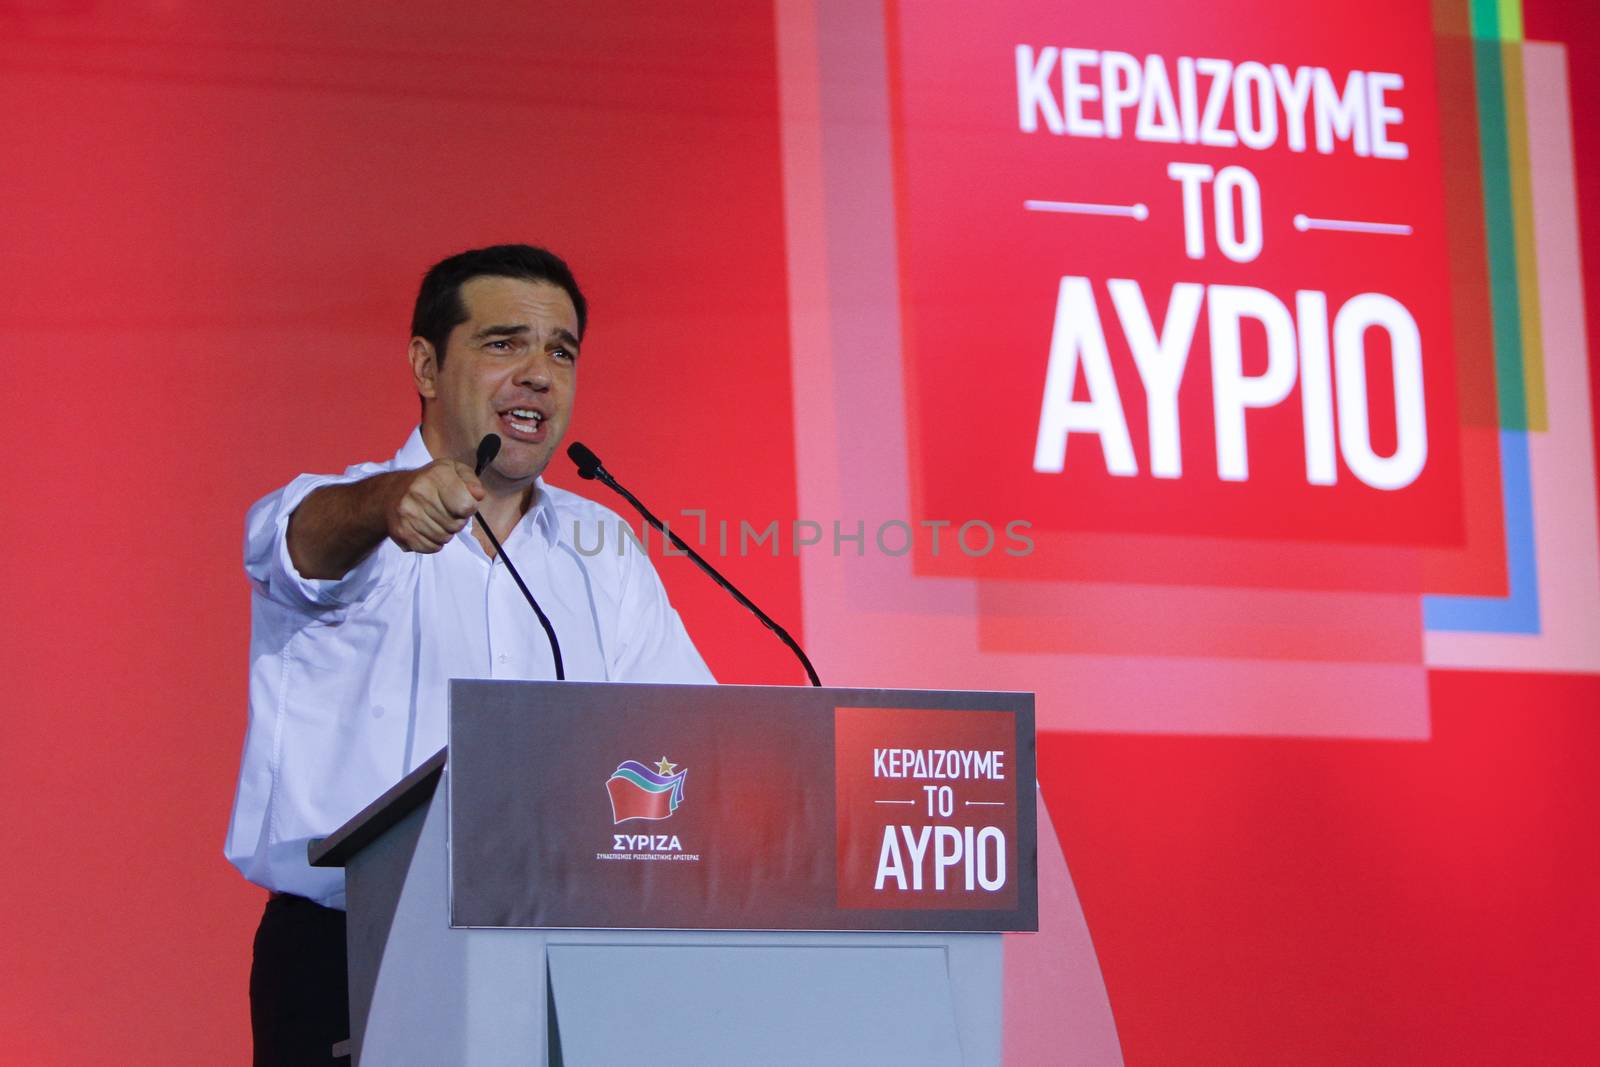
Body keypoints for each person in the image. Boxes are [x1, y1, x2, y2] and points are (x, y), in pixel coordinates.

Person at [225, 245, 713, 1064]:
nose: (538, 372)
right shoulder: (351, 513)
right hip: (348, 954)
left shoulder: (604, 548)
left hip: (562, 958)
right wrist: (388, 503)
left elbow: (690, 732)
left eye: (561, 350)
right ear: (425, 362)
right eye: (503, 343)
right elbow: (296, 542)